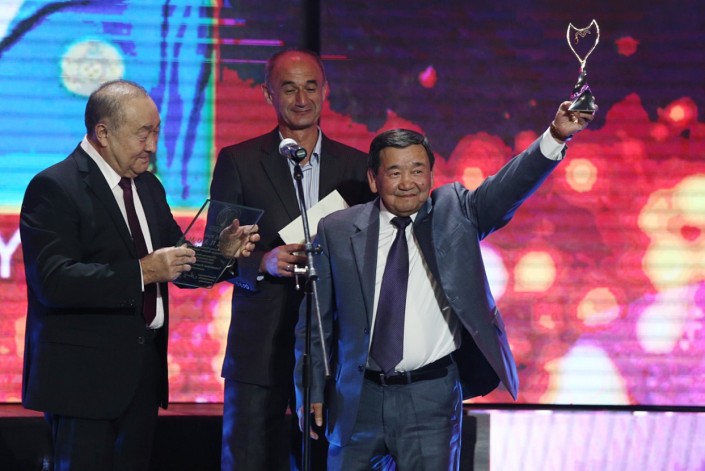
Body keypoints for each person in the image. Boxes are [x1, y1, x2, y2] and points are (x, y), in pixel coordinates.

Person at [294, 102, 595, 469]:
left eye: (417, 170)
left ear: (432, 175)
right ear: (374, 179)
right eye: (395, 172)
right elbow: (316, 321)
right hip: (358, 398)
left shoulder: (456, 211)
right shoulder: (337, 230)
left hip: (431, 397)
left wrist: (556, 136)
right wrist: (310, 389)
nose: (408, 183)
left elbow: (508, 187)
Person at [20, 79, 259, 471]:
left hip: (142, 378)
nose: (152, 145)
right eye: (142, 133)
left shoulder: (148, 186)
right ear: (103, 133)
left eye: (157, 132)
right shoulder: (55, 186)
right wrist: (143, 272)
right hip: (83, 383)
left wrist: (221, 254)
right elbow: (54, 281)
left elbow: (175, 261)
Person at [209, 48, 373, 470]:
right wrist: (262, 263)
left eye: (311, 87)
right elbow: (214, 254)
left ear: (326, 91)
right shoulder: (239, 161)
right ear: (268, 94)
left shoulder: (357, 169)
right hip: (259, 348)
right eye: (289, 89)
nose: (302, 99)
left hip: (331, 348)